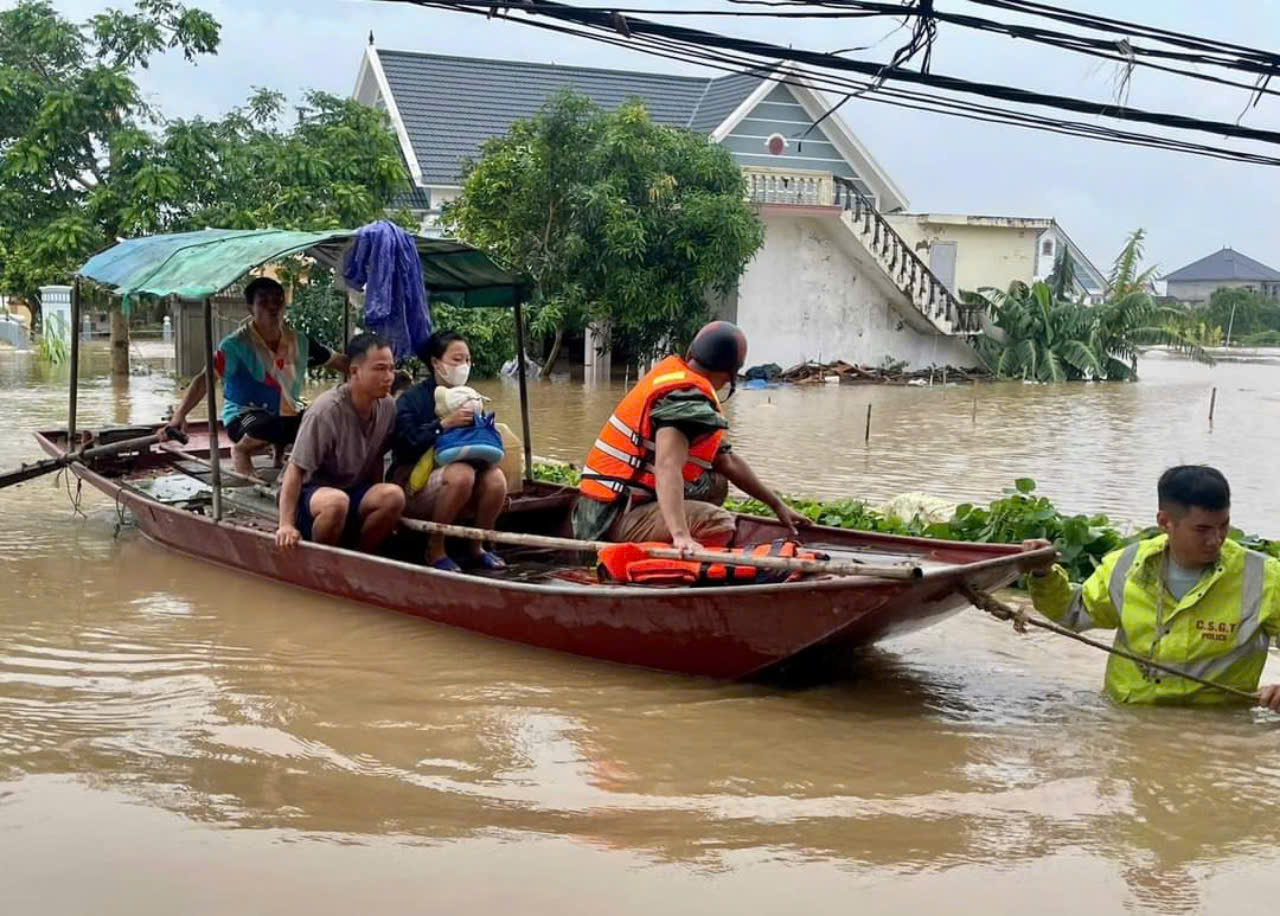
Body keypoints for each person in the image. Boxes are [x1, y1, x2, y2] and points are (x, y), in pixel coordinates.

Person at [1019, 465, 1280, 709]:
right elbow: (1073, 612)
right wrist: (1044, 573)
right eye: (1202, 529)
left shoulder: (1264, 576)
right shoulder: (1126, 565)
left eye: (1223, 526)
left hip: (1218, 728)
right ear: (1165, 522)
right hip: (1126, 721)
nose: (1216, 539)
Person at [573, 320, 809, 553]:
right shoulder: (685, 399)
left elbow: (726, 460)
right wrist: (681, 535)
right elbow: (667, 466)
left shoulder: (677, 380)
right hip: (607, 519)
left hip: (610, 504)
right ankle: (677, 566)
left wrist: (777, 505)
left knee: (715, 482)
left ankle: (672, 532)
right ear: (730, 375)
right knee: (719, 523)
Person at [159, 276, 349, 477]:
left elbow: (341, 362)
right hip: (243, 416)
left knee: (323, 419)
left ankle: (281, 456)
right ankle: (241, 452)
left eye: (277, 300)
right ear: (251, 308)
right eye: (263, 301)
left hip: (286, 411)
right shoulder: (234, 345)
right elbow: (204, 380)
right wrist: (180, 415)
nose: (272, 307)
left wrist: (371, 372)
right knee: (268, 425)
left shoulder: (300, 341)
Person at [389, 330, 508, 572]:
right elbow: (404, 444)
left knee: (496, 479)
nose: (464, 366)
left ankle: (477, 546)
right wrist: (443, 425)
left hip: (461, 481)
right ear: (436, 363)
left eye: (467, 360)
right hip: (413, 483)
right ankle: (435, 547)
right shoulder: (413, 399)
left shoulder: (470, 398)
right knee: (460, 474)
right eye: (456, 360)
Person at [275, 332, 405, 552]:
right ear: (354, 372)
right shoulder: (326, 411)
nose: (389, 377)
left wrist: (380, 511)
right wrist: (285, 525)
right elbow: (295, 470)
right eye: (380, 368)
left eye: (391, 369)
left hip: (352, 490)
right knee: (336, 502)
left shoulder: (388, 407)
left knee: (393, 496)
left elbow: (375, 458)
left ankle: (361, 556)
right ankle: (324, 560)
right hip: (310, 495)